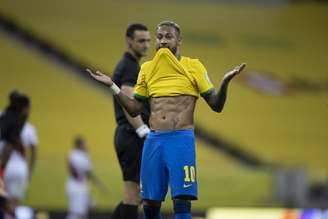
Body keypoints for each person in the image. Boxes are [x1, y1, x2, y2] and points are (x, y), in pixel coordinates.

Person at [88, 21, 246, 219]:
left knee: (181, 201)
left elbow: (216, 105)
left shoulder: (193, 66)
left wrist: (224, 83)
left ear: (179, 40)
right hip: (154, 141)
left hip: (181, 140)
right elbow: (135, 108)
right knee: (150, 204)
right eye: (160, 37)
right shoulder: (147, 68)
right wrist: (113, 86)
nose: (163, 41)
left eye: (168, 37)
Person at [108, 23, 151, 219]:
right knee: (133, 196)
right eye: (141, 41)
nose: (146, 45)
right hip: (131, 134)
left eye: (148, 40)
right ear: (129, 41)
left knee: (134, 197)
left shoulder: (132, 65)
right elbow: (129, 103)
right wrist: (143, 130)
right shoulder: (129, 67)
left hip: (128, 135)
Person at [0, 91, 31, 218]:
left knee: (5, 203)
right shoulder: (19, 121)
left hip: (5, 169)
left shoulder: (5, 117)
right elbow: (9, 146)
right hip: (9, 169)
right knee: (9, 205)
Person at [66, 136, 107, 219]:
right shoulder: (82, 156)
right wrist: (100, 185)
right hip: (78, 187)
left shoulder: (71, 154)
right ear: (80, 145)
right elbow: (89, 173)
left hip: (73, 185)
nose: (86, 145)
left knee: (86, 210)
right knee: (78, 214)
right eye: (84, 143)